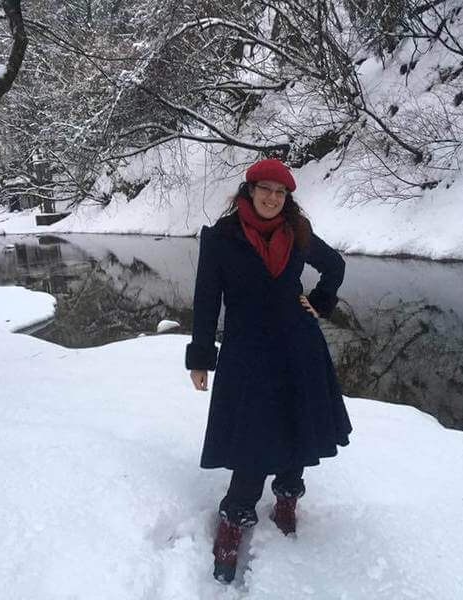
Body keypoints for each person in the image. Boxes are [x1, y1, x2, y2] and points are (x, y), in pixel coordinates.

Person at [185, 158, 352, 583]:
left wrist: (319, 303)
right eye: (266, 189)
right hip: (247, 354)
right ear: (250, 189)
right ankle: (233, 522)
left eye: (281, 193)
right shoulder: (221, 239)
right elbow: (207, 300)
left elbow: (335, 267)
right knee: (252, 442)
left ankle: (286, 501)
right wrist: (202, 357)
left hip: (298, 346)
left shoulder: (297, 233)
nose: (273, 198)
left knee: (295, 428)